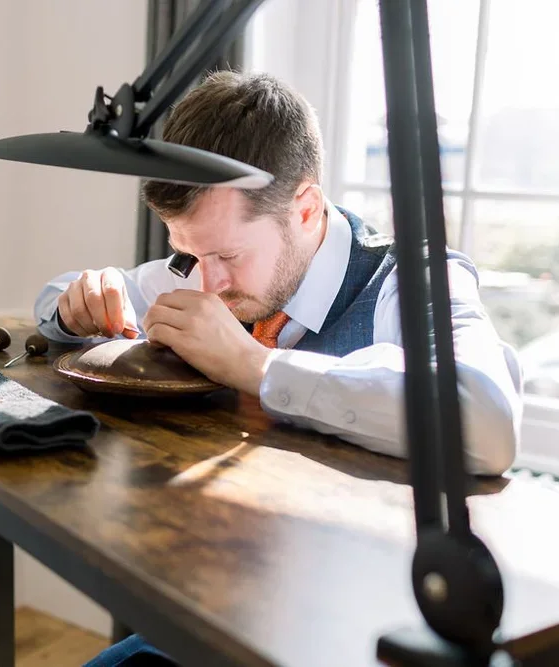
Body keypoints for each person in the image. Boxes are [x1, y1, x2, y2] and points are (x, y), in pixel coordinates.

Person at [32, 71, 522, 666]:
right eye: (188, 252)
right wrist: (73, 304)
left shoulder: (411, 280)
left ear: (307, 208)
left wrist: (257, 366)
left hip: (363, 633)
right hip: (224, 613)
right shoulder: (205, 268)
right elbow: (64, 294)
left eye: (227, 255)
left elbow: (488, 420)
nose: (205, 281)